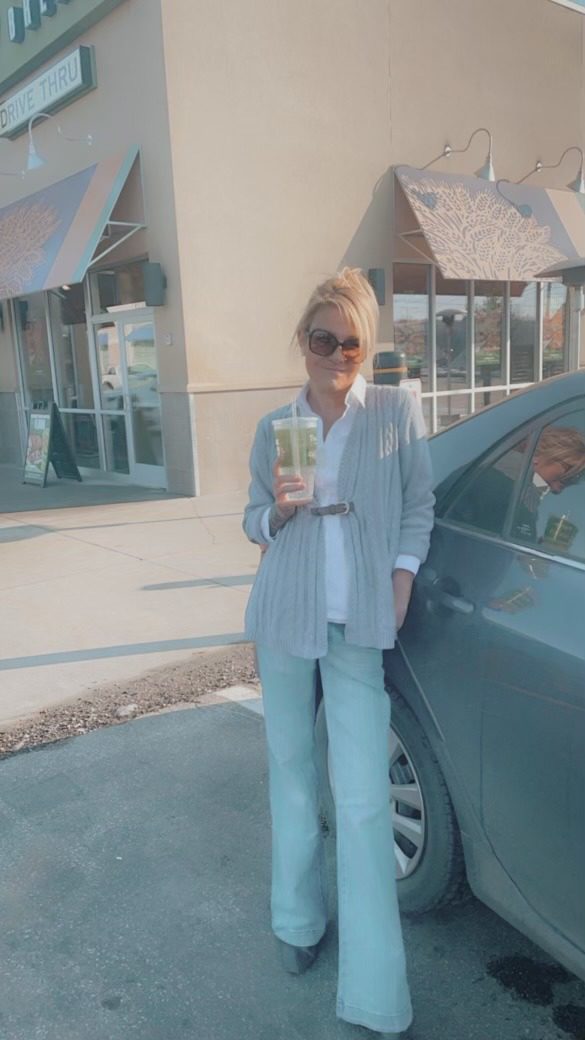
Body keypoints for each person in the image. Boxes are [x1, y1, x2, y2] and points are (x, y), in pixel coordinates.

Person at [243, 267, 434, 1037]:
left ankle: (375, 993)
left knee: (360, 801)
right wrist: (280, 512)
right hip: (283, 616)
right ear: (303, 340)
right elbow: (251, 519)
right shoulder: (275, 425)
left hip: (358, 625)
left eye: (351, 344)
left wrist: (401, 578)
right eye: (323, 339)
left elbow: (417, 505)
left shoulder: (393, 412)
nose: (336, 355)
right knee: (290, 775)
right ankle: (295, 921)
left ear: (366, 349)